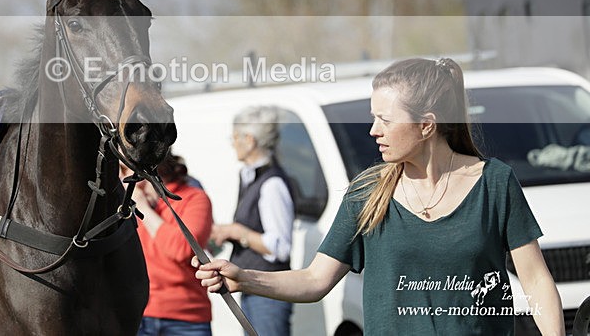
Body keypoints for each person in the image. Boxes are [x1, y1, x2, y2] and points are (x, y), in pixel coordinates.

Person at [194, 58, 565, 336]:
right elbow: (314, 280)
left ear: (426, 124)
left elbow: (535, 282)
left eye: (385, 119)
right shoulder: (366, 193)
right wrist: (243, 278)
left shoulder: (495, 182)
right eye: (374, 118)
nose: (374, 130)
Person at [208, 105, 295, 336]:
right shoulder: (250, 176)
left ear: (249, 139)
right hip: (254, 289)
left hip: (269, 295)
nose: (232, 143)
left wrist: (237, 231)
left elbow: (280, 248)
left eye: (234, 137)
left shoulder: (272, 183)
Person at [121, 151, 214, 336]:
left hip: (185, 320)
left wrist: (144, 209)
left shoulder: (194, 198)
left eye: (123, 169)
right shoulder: (123, 206)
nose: (120, 177)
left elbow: (182, 248)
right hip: (136, 316)